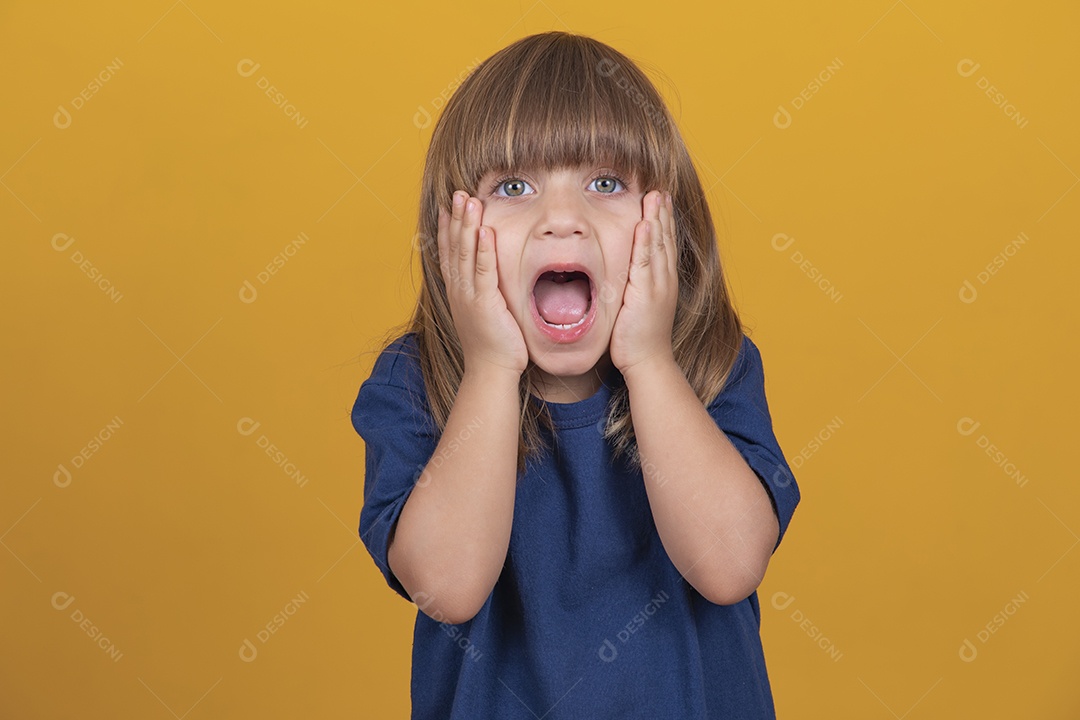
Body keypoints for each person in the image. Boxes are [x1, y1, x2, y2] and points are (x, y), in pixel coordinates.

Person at [351, 30, 800, 719]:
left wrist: (649, 360)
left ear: (668, 222)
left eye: (606, 183)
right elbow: (445, 586)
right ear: (449, 234)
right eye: (513, 186)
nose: (562, 220)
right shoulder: (415, 383)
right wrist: (492, 367)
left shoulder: (712, 363)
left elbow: (730, 564)